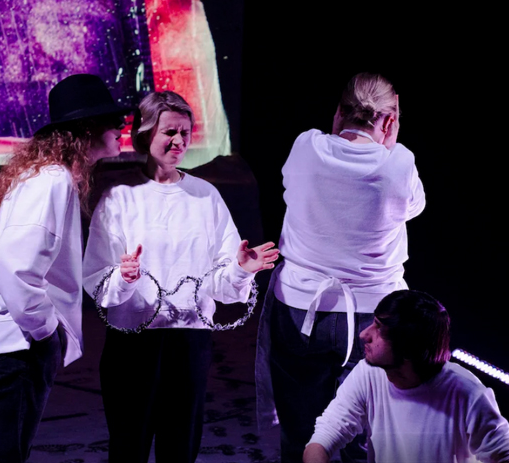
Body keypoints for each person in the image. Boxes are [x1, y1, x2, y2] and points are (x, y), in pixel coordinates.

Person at [82, 90, 279, 463]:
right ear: (146, 134)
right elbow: (95, 276)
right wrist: (123, 277)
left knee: (180, 448)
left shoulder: (205, 196)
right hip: (132, 342)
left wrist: (241, 269)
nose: (179, 141)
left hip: (190, 341)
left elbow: (219, 283)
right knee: (128, 447)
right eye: (169, 132)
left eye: (185, 133)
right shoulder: (120, 197)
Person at [255, 72, 426, 463]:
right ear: (389, 120)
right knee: (362, 436)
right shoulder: (399, 163)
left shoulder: (306, 147)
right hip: (375, 317)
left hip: (300, 309)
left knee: (301, 434)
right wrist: (390, 145)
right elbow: (413, 207)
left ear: (338, 112)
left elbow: (290, 186)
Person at [0, 73, 131, 463]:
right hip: (17, 345)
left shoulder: (47, 176)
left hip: (12, 344)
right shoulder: (51, 180)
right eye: (112, 119)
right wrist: (45, 331)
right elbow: (14, 266)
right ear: (86, 128)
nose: (122, 125)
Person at [304, 290, 509, 463]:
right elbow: (324, 437)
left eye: (379, 328)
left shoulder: (469, 394)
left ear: (408, 347)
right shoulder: (368, 373)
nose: (364, 334)